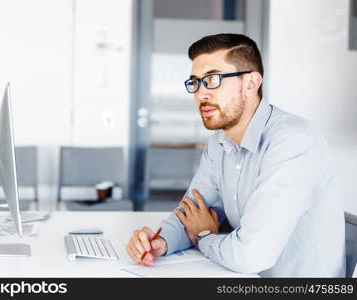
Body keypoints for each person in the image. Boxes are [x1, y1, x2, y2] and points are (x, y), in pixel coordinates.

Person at [125, 33, 345, 277]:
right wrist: (160, 242)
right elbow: (192, 212)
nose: (201, 94)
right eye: (195, 82)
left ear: (251, 83)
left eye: (213, 79)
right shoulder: (219, 143)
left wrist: (203, 236)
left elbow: (249, 257)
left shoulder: (293, 142)